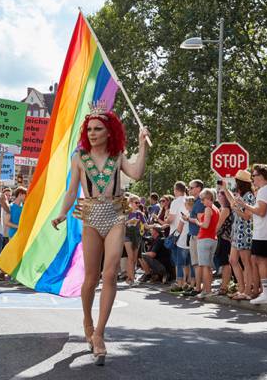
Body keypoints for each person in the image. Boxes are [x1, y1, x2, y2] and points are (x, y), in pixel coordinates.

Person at [51, 105, 148, 366]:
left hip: (116, 215)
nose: (92, 133)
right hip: (91, 217)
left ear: (109, 132)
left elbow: (137, 173)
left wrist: (143, 144)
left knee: (110, 272)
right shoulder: (80, 157)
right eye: (89, 129)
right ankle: (87, 320)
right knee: (91, 277)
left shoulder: (118, 156)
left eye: (98, 129)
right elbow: (72, 190)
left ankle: (100, 334)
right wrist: (61, 213)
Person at [235, 164, 267, 304]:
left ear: (260, 176)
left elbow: (261, 211)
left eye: (253, 175)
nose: (252, 178)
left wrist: (244, 205)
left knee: (261, 261)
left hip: (264, 233)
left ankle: (266, 293)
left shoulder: (263, 191)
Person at [221, 170, 257, 300]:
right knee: (233, 260)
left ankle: (247, 290)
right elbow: (232, 200)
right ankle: (241, 288)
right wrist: (225, 189)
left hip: (244, 232)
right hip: (236, 233)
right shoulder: (241, 194)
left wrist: (236, 209)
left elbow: (248, 216)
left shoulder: (249, 196)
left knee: (246, 262)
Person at [187, 188, 220, 298]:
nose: (201, 202)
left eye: (202, 199)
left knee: (205, 266)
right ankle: (208, 289)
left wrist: (197, 221)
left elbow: (205, 225)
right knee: (209, 267)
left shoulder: (208, 208)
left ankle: (207, 290)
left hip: (205, 238)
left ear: (208, 198)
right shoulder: (216, 208)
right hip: (213, 239)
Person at [184, 179, 205, 296]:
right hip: (194, 235)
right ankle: (197, 286)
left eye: (191, 187)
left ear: (198, 188)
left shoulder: (200, 202)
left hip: (198, 235)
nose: (189, 189)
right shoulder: (197, 202)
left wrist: (188, 219)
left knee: (198, 263)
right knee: (196, 263)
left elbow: (200, 220)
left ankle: (198, 287)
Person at [166, 182, 188, 291]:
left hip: (177, 233)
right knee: (186, 261)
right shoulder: (188, 200)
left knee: (178, 261)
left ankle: (179, 283)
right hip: (187, 233)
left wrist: (165, 219)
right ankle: (186, 283)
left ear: (176, 190)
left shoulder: (175, 202)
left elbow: (171, 219)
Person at [124, 194, 146, 286]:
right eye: (136, 202)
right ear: (131, 203)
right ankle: (131, 278)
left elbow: (146, 225)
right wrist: (129, 221)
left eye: (139, 202)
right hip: (127, 235)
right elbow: (121, 224)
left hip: (137, 236)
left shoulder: (139, 213)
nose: (138, 204)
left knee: (134, 258)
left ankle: (130, 277)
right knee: (130, 257)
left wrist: (158, 226)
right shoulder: (126, 212)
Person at [215, 190, 233, 295]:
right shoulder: (222, 208)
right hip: (224, 238)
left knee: (225, 263)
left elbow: (218, 225)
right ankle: (226, 285)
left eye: (220, 195)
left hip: (226, 239)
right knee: (226, 263)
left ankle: (224, 286)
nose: (218, 197)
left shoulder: (226, 209)